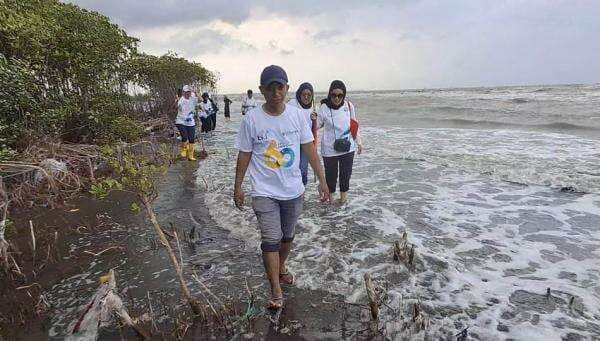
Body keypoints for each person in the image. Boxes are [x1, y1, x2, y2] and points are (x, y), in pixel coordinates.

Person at [234, 65, 330, 310]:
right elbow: (244, 155)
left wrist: (322, 180)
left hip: (293, 190)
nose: (276, 92)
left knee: (287, 237)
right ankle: (275, 289)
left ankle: (281, 266)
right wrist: (238, 187)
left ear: (287, 88)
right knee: (270, 240)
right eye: (270, 88)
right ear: (261, 90)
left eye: (280, 87)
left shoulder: (298, 116)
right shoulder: (251, 119)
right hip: (264, 191)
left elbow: (309, 150)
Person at [313, 80, 362, 203]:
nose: (337, 98)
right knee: (331, 178)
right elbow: (316, 126)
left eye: (340, 95)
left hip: (347, 147)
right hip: (330, 150)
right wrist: (313, 119)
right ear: (330, 94)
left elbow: (354, 125)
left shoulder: (349, 106)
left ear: (344, 95)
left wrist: (359, 143)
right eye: (334, 95)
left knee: (345, 176)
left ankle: (343, 203)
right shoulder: (323, 108)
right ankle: (331, 204)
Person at [287, 82, 317, 186]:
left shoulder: (313, 107)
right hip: (292, 143)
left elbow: (316, 127)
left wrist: (314, 120)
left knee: (303, 169)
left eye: (309, 95)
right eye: (303, 94)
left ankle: (302, 193)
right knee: (292, 168)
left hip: (306, 143)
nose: (306, 97)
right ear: (299, 94)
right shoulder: (292, 104)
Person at [175, 85, 198, 161]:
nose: (188, 93)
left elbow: (201, 100)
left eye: (189, 92)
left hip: (191, 122)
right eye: (186, 92)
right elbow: (177, 106)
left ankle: (190, 156)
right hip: (180, 121)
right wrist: (176, 100)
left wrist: (196, 93)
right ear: (183, 92)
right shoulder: (181, 99)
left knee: (192, 139)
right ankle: (183, 150)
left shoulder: (193, 97)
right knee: (184, 137)